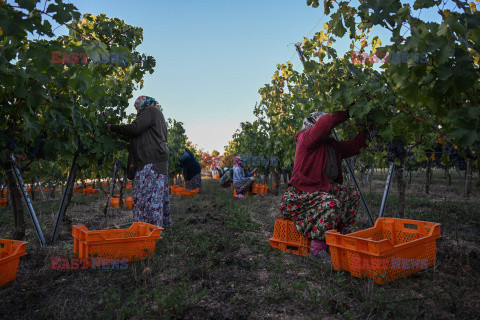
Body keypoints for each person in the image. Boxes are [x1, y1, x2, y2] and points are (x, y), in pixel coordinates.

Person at [280, 110, 367, 260]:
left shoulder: (331, 146)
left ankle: (340, 235)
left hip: (321, 189)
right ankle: (317, 247)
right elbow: (326, 123)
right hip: (302, 193)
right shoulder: (305, 138)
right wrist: (350, 111)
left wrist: (364, 128)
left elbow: (355, 146)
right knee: (331, 203)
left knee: (351, 193)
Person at [108, 96, 171, 228]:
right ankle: (153, 229)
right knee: (152, 198)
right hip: (154, 161)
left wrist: (111, 127)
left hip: (151, 162)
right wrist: (122, 136)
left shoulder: (150, 110)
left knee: (148, 198)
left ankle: (150, 230)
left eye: (136, 107)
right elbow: (140, 137)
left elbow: (135, 129)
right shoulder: (155, 113)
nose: (136, 110)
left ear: (141, 104)